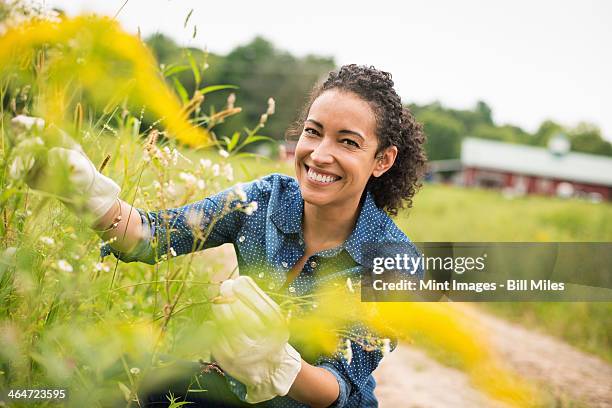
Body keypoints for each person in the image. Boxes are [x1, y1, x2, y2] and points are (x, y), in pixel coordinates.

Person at [24, 64, 427, 407]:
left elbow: (338, 386)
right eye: (312, 132)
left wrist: (279, 366)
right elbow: (152, 236)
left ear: (383, 159)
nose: (320, 154)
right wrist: (87, 194)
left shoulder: (395, 260)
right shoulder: (264, 199)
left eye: (348, 142)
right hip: (232, 392)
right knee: (114, 383)